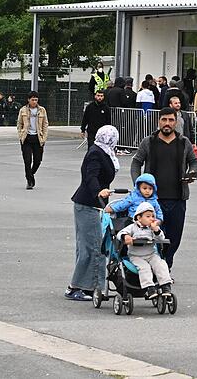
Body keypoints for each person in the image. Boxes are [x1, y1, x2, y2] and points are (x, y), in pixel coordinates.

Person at [131, 107, 197, 269]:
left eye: (170, 120)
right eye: (164, 120)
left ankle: (167, 264)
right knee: (153, 235)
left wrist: (193, 173)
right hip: (153, 201)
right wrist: (138, 183)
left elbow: (194, 162)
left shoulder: (184, 142)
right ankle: (156, 267)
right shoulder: (149, 142)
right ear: (158, 121)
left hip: (177, 198)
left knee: (174, 237)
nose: (167, 123)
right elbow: (136, 162)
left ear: (176, 122)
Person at [66, 125, 120, 301]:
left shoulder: (101, 151)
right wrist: (99, 192)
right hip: (89, 203)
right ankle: (81, 287)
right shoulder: (96, 152)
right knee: (93, 247)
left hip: (90, 203)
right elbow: (90, 176)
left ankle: (86, 286)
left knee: (87, 246)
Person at [117, 202, 173, 298]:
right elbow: (120, 233)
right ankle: (149, 288)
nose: (151, 218)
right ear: (139, 218)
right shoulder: (132, 227)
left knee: (161, 264)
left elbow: (161, 238)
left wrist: (156, 230)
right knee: (144, 268)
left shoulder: (153, 228)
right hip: (136, 256)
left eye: (152, 216)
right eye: (148, 216)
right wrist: (126, 237)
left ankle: (165, 285)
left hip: (151, 254)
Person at [17, 91, 49, 189]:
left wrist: (44, 137)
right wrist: (21, 134)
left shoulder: (42, 110)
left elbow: (45, 124)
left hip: (38, 138)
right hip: (26, 138)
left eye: (36, 100)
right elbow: (19, 123)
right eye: (32, 100)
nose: (34, 102)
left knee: (37, 161)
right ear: (28, 100)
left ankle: (31, 174)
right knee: (27, 160)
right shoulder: (23, 110)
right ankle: (29, 181)